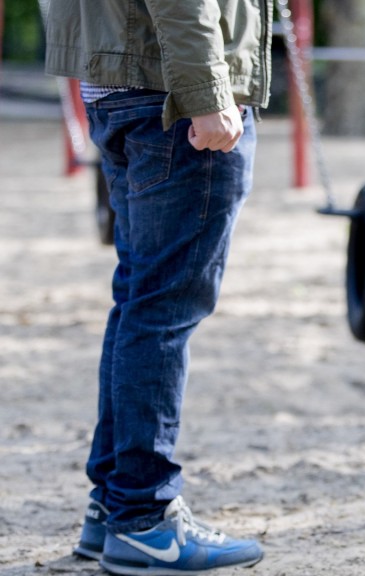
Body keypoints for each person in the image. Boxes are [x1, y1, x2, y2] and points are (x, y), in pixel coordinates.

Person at [44, 0, 273, 573]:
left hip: (122, 81)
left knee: (140, 302)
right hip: (169, 91)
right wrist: (209, 93)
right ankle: (143, 516)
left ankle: (114, 505)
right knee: (161, 309)